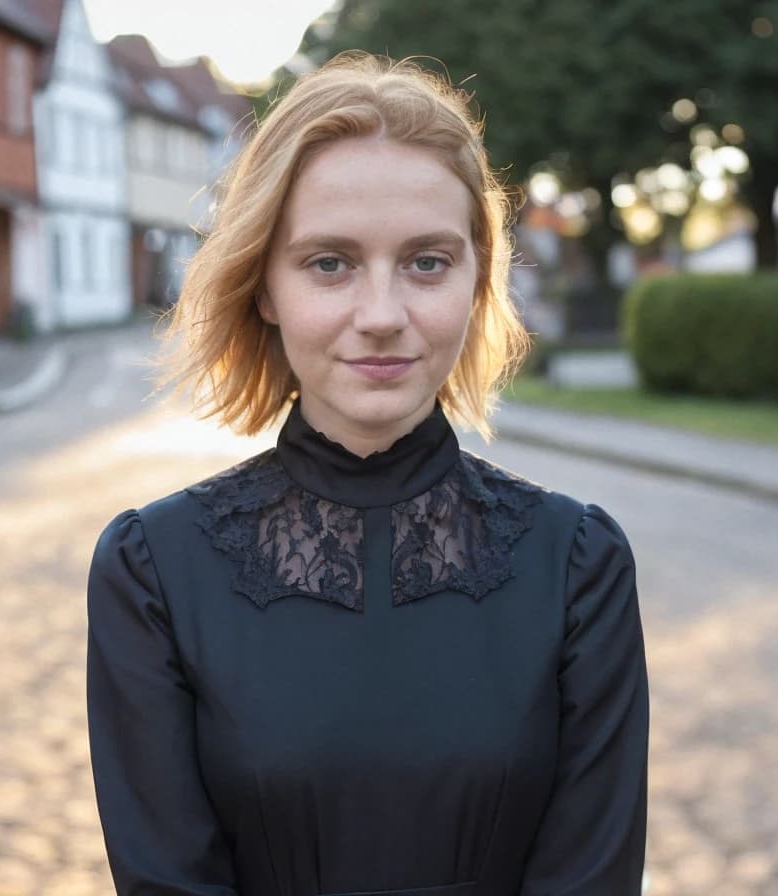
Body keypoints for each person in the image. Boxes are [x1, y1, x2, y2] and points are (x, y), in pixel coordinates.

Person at [86, 52, 649, 896]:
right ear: (264, 284)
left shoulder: (578, 567)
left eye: (427, 262)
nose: (381, 317)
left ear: (476, 280)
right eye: (329, 263)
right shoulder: (154, 572)